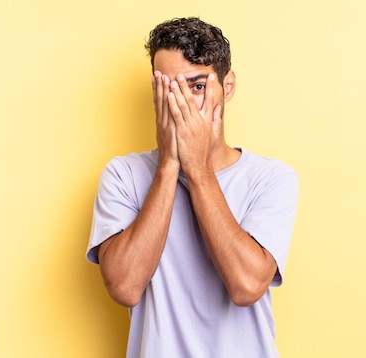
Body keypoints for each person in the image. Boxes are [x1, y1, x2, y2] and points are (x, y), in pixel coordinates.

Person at [86, 17, 299, 358]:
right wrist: (170, 164)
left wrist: (197, 168)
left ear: (227, 87)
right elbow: (124, 287)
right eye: (168, 89)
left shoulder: (271, 178)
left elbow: (246, 286)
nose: (180, 104)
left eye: (197, 87)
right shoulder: (124, 175)